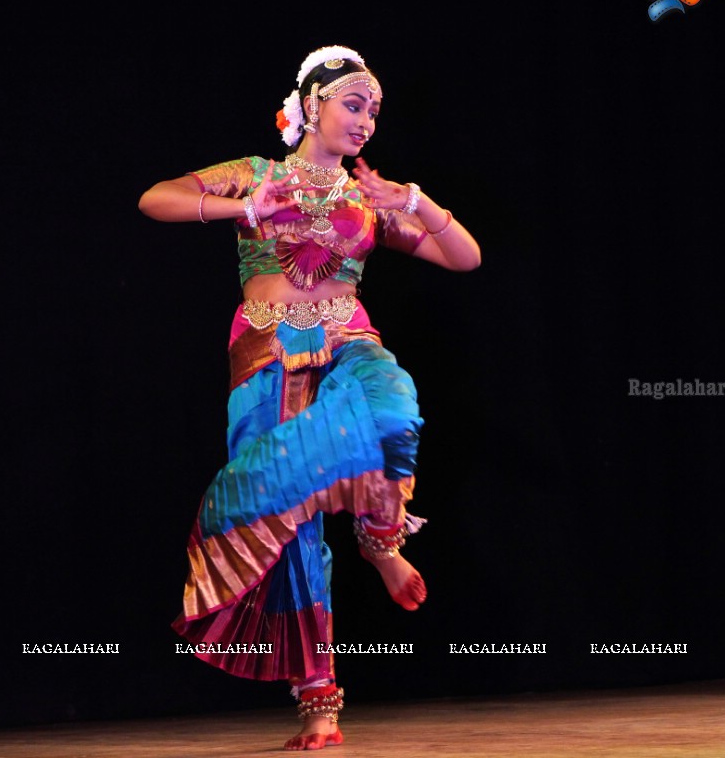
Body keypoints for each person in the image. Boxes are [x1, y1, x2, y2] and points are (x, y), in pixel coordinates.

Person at [138, 45, 481, 751]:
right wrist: (237, 204)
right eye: (353, 105)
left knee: (392, 407)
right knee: (284, 517)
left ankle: (381, 536)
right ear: (312, 104)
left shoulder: (368, 197)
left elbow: (464, 256)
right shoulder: (257, 173)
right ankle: (319, 704)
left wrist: (416, 202)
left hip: (346, 337)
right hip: (266, 348)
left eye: (374, 112)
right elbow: (155, 198)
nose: (365, 121)